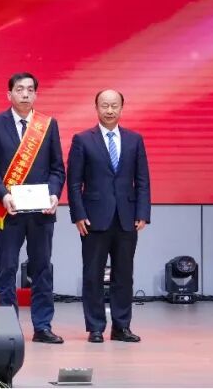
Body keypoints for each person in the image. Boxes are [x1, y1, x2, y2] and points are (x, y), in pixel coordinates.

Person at [0, 72, 66, 343]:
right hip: (9, 210)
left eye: (30, 89)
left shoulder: (48, 125)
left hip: (42, 212)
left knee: (42, 269)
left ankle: (42, 327)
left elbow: (57, 168)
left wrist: (53, 195)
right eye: (20, 89)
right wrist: (3, 195)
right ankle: (7, 327)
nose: (25, 94)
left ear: (36, 94)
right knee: (7, 268)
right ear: (9, 94)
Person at [67, 89, 150, 344]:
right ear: (96, 108)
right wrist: (78, 214)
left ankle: (121, 327)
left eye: (114, 105)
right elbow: (74, 182)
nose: (110, 110)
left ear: (122, 108)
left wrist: (142, 213)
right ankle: (95, 328)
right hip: (93, 219)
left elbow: (142, 180)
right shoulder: (82, 140)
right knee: (93, 275)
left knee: (123, 275)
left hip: (127, 218)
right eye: (105, 105)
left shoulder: (134, 140)